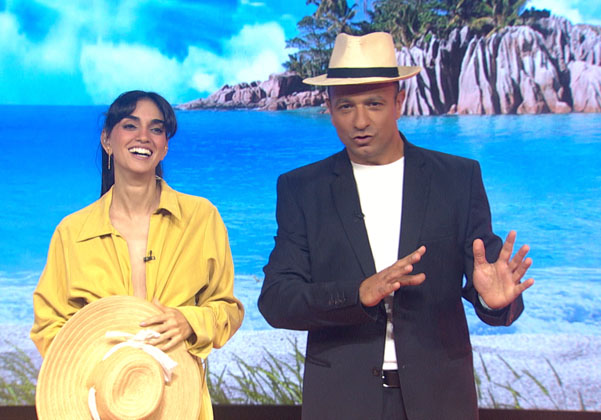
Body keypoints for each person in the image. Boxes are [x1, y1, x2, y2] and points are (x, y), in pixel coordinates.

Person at [258, 32, 534, 420]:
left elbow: (487, 278)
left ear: (399, 102)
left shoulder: (457, 178)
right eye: (345, 106)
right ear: (329, 108)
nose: (360, 121)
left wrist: (492, 300)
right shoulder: (302, 188)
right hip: (341, 402)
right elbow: (276, 300)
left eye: (374, 103)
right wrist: (358, 294)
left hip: (441, 401)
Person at [31, 90, 244, 420]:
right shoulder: (71, 232)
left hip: (178, 401)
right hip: (101, 403)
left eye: (156, 129)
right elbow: (49, 324)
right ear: (107, 140)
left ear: (165, 146)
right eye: (130, 126)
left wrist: (190, 321)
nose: (144, 136)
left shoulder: (202, 218)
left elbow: (228, 310)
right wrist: (100, 363)